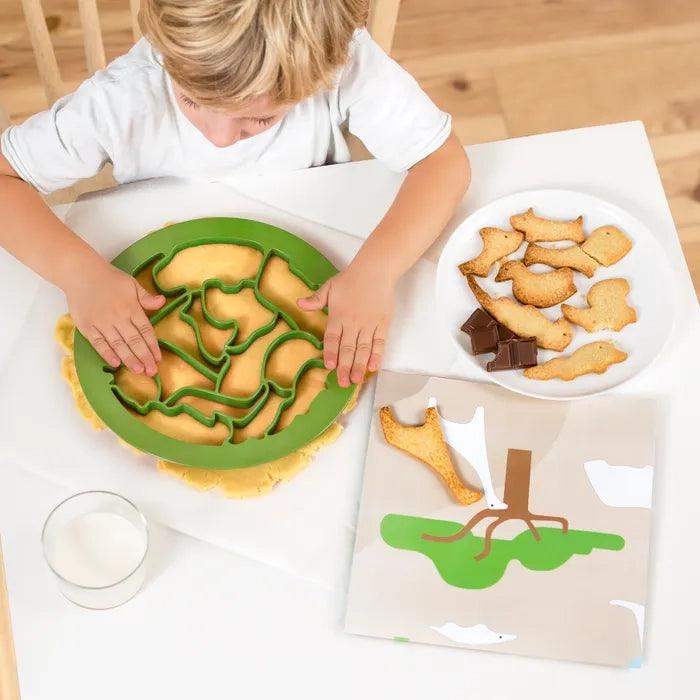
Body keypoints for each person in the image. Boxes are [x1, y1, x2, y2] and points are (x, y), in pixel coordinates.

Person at [0, 0, 470, 388]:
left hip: (312, 266)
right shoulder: (120, 98)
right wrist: (79, 275)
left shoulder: (346, 64)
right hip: (159, 290)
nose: (220, 139)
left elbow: (442, 162)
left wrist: (378, 270)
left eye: (260, 120)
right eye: (191, 101)